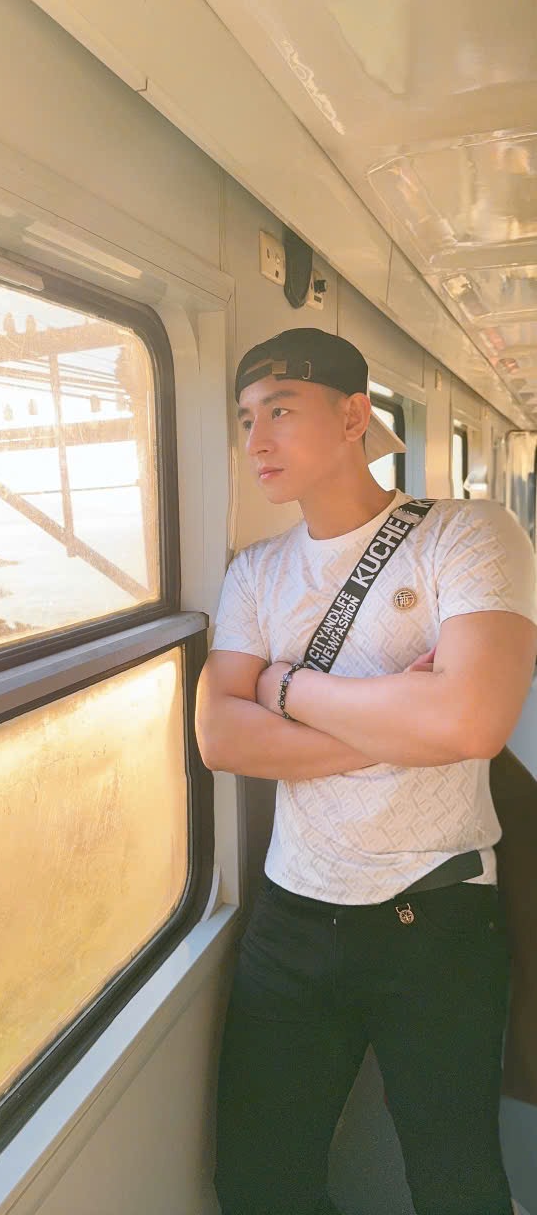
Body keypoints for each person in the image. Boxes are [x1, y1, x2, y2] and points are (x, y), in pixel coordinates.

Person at [195, 327, 537, 1215]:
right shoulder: (255, 572)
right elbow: (220, 739)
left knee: (456, 1182)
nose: (257, 440)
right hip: (291, 916)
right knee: (260, 1185)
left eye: (280, 410)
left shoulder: (465, 534)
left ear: (353, 417)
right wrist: (402, 722)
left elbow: (470, 722)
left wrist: (282, 688)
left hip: (437, 914)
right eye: (245, 419)